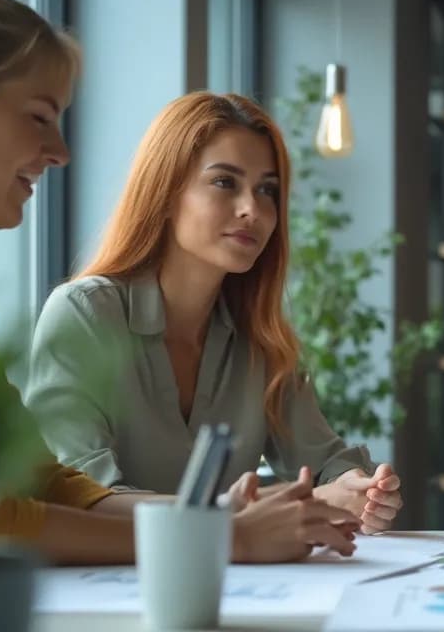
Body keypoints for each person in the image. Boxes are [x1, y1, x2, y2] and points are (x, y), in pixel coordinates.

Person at [0, 0, 359, 614]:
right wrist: (225, 538)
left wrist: (211, 518)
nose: (60, 151)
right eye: (40, 117)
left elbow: (41, 481)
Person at [24, 92, 403, 533]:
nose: (252, 210)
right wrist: (256, 513)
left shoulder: (261, 339)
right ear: (165, 192)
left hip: (226, 575)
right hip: (103, 574)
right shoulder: (83, 315)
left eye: (267, 190)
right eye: (225, 182)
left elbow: (325, 463)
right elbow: (79, 499)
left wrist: (359, 490)